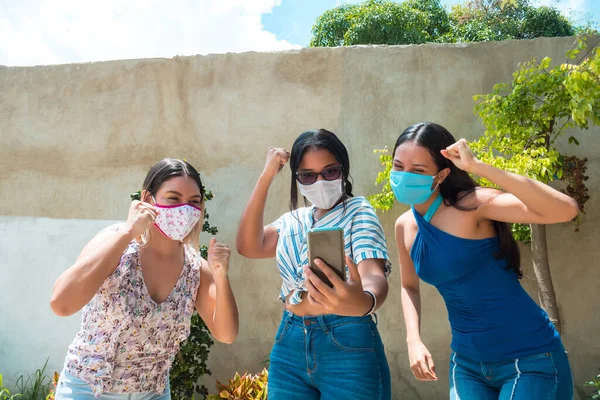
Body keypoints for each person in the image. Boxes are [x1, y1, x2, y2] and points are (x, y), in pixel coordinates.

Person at [392, 122, 578, 399]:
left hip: (530, 359)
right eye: (398, 166)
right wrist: (413, 340)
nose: (405, 176)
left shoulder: (473, 205)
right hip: (467, 365)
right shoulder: (404, 225)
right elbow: (409, 285)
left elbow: (565, 210)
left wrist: (478, 166)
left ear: (442, 175)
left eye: (418, 171)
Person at [50, 158, 239, 399]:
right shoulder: (116, 243)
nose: (185, 209)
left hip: (153, 392)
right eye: (173, 198)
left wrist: (221, 277)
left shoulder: (194, 268)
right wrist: (129, 231)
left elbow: (226, 333)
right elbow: (61, 303)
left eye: (194, 201)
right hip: (88, 389)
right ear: (148, 199)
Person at [236, 129, 392, 400]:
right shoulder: (293, 220)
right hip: (290, 340)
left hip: (347, 341)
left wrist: (365, 300)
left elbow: (374, 276)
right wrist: (266, 176)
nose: (320, 181)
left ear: (344, 169)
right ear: (298, 179)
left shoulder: (359, 211)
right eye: (308, 175)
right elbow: (248, 245)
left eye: (330, 171)